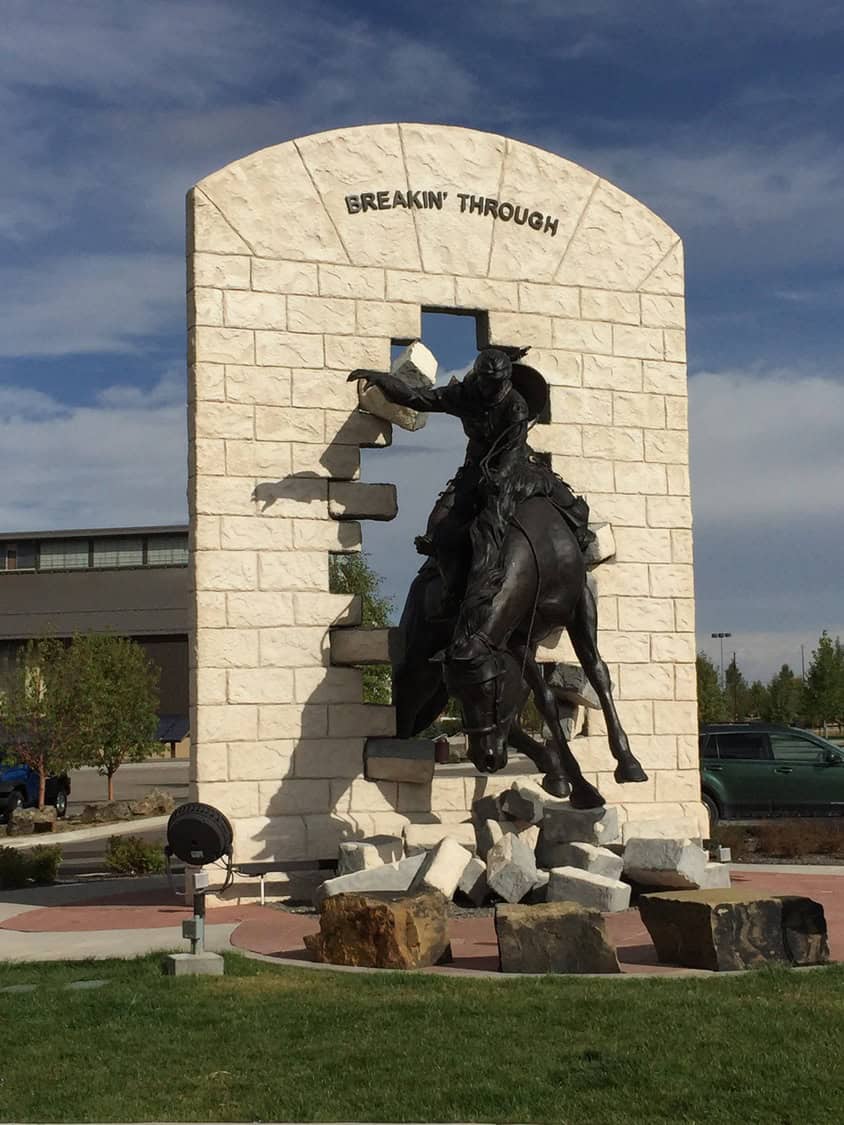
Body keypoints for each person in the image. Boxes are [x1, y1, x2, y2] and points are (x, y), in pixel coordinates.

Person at [348, 347, 593, 637]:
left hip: (512, 469)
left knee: (508, 520)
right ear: (479, 380)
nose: (492, 389)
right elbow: (419, 399)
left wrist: (495, 484)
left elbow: (511, 454)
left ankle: (574, 540)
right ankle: (453, 592)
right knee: (438, 525)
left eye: (498, 383)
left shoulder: (515, 407)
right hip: (476, 468)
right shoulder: (465, 396)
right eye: (487, 382)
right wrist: (382, 379)